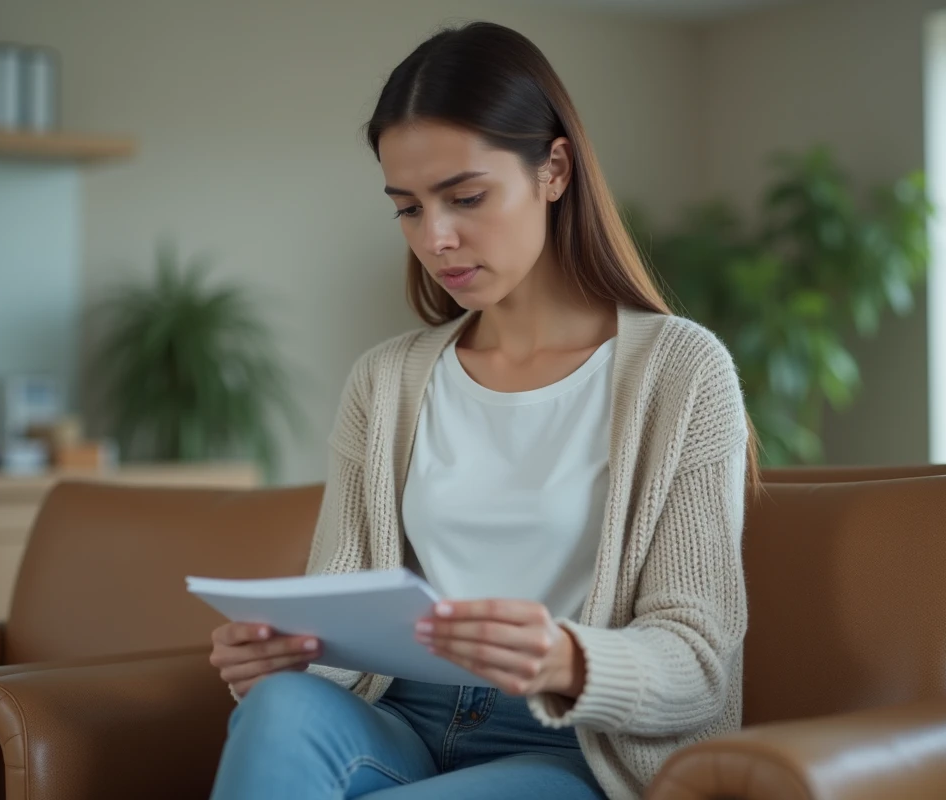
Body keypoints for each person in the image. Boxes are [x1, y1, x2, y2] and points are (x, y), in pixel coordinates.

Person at [206, 20, 755, 800]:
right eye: (407, 208)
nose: (436, 238)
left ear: (554, 169)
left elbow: (699, 663)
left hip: (573, 743)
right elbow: (339, 621)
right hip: (403, 715)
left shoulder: (681, 372)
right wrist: (281, 658)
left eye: (465, 197)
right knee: (280, 709)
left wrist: (563, 657)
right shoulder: (385, 381)